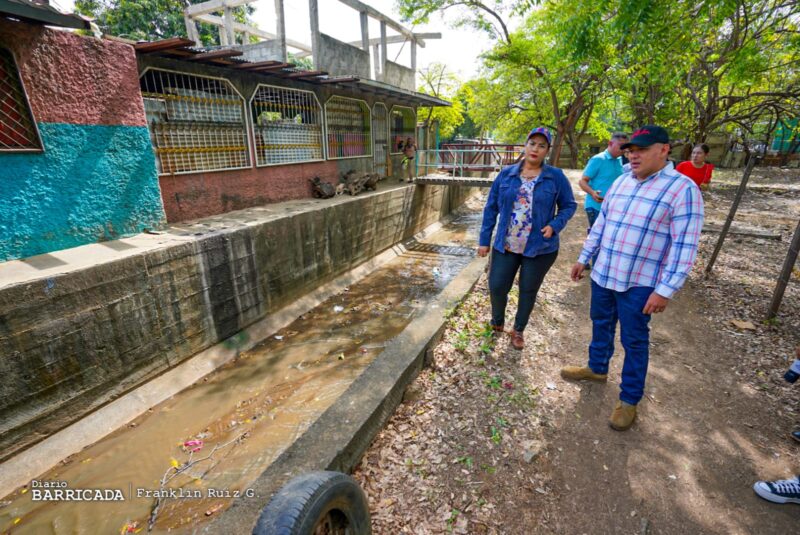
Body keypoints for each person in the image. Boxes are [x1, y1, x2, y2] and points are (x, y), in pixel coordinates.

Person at [562, 125, 704, 431]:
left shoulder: (683, 189)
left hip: (640, 283)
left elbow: (685, 246)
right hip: (604, 272)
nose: (633, 156)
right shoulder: (622, 180)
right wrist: (584, 257)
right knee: (600, 323)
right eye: (631, 150)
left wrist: (665, 290)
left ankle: (629, 399)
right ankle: (597, 368)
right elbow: (602, 224)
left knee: (634, 340)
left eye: (642, 150)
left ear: (664, 150)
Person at [477, 127, 576, 350]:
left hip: (539, 248)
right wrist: (484, 240)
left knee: (528, 290)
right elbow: (491, 208)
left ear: (547, 150)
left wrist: (555, 225)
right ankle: (497, 322)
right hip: (506, 244)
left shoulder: (555, 177)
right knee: (497, 286)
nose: (535, 149)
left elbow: (569, 205)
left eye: (542, 145)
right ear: (525, 145)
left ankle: (518, 329)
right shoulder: (506, 174)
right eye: (532, 143)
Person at [578, 132, 629, 265]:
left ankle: (586, 259)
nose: (624, 149)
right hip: (595, 206)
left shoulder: (620, 160)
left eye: (625, 146)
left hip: (612, 208)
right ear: (610, 143)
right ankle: (594, 267)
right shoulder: (598, 159)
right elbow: (582, 181)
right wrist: (593, 193)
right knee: (598, 238)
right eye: (621, 146)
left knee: (604, 237)